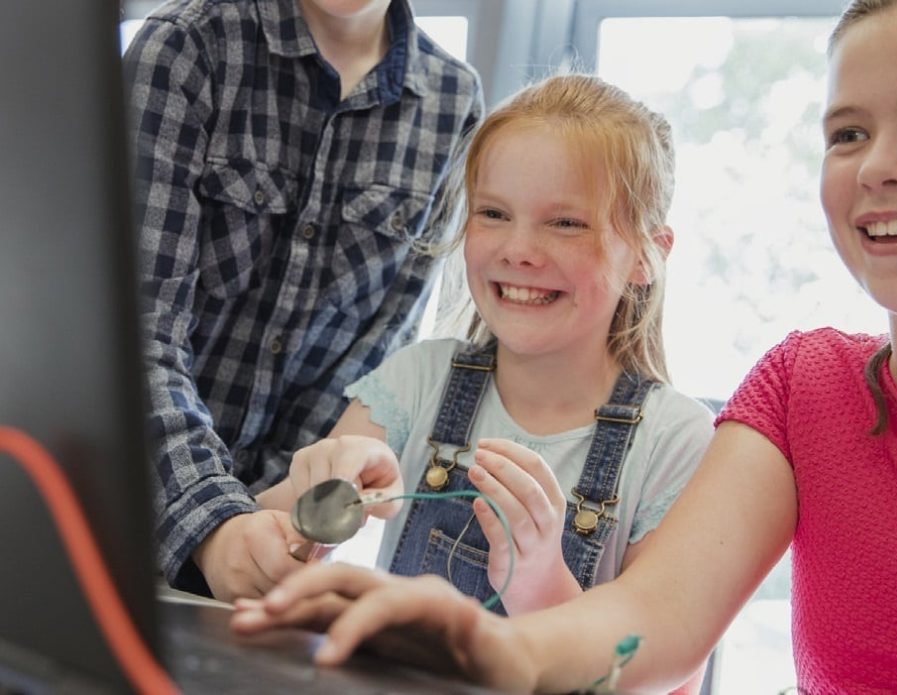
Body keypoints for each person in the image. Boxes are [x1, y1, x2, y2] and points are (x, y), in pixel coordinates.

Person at [230, 0, 897, 692]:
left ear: (647, 255)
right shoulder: (803, 388)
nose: (878, 166)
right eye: (847, 132)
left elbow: (670, 672)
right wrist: (485, 639)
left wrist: (526, 608)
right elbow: (657, 617)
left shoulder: (672, 434)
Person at [256, 74, 714, 623]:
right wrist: (312, 505)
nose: (518, 250)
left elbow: (661, 663)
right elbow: (263, 550)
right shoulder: (418, 379)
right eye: (494, 213)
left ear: (645, 255)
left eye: (566, 223)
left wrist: (542, 584)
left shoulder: (676, 441)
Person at [122, 0, 483, 601]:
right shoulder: (189, 45)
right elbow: (132, 334)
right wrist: (217, 521)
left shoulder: (453, 101)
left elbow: (372, 357)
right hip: (115, 511)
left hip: (272, 545)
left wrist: (278, 521)